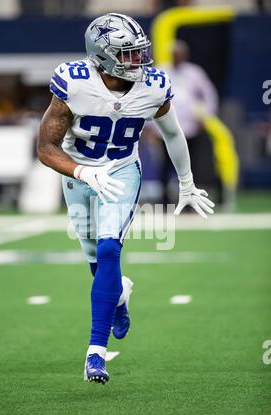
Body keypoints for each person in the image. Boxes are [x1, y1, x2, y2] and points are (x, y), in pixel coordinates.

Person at [37, 12, 214, 384]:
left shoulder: (154, 86)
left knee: (108, 250)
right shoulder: (74, 82)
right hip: (78, 171)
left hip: (121, 170)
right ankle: (118, 294)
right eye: (127, 54)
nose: (139, 60)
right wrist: (83, 172)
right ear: (101, 56)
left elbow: (174, 134)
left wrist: (186, 183)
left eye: (139, 51)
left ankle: (95, 354)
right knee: (94, 261)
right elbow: (46, 146)